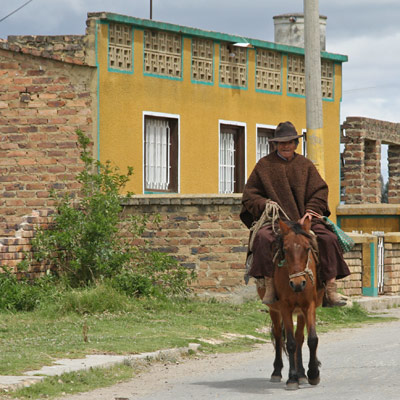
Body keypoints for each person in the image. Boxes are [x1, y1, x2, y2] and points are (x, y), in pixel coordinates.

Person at [240, 121, 350, 307]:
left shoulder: (305, 165)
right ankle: (269, 287)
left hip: (304, 221)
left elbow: (320, 191)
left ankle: (330, 289)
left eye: (290, 142)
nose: (286, 146)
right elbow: (250, 195)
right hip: (277, 222)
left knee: (329, 238)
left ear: (296, 144)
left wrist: (309, 212)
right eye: (282, 142)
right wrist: (265, 203)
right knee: (263, 238)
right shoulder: (264, 166)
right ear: (275, 144)